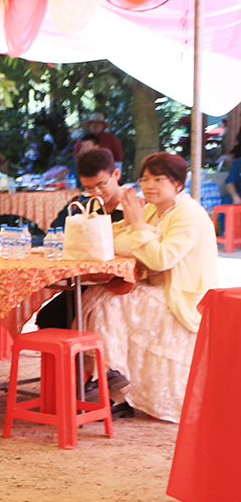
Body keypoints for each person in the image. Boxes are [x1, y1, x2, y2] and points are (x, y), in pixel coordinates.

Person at [82, 152, 218, 422]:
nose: (149, 186)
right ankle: (111, 379)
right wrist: (137, 229)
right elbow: (118, 240)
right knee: (98, 295)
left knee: (108, 300)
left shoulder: (188, 214)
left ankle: (114, 383)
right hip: (157, 286)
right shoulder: (154, 209)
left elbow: (160, 258)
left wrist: (137, 227)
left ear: (178, 184)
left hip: (183, 296)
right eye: (145, 179)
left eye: (159, 179)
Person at [35, 148, 127, 331]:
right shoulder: (86, 208)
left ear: (116, 174)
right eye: (89, 188)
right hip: (88, 281)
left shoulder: (134, 207)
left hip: (121, 285)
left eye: (101, 185)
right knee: (48, 317)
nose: (97, 192)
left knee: (63, 317)